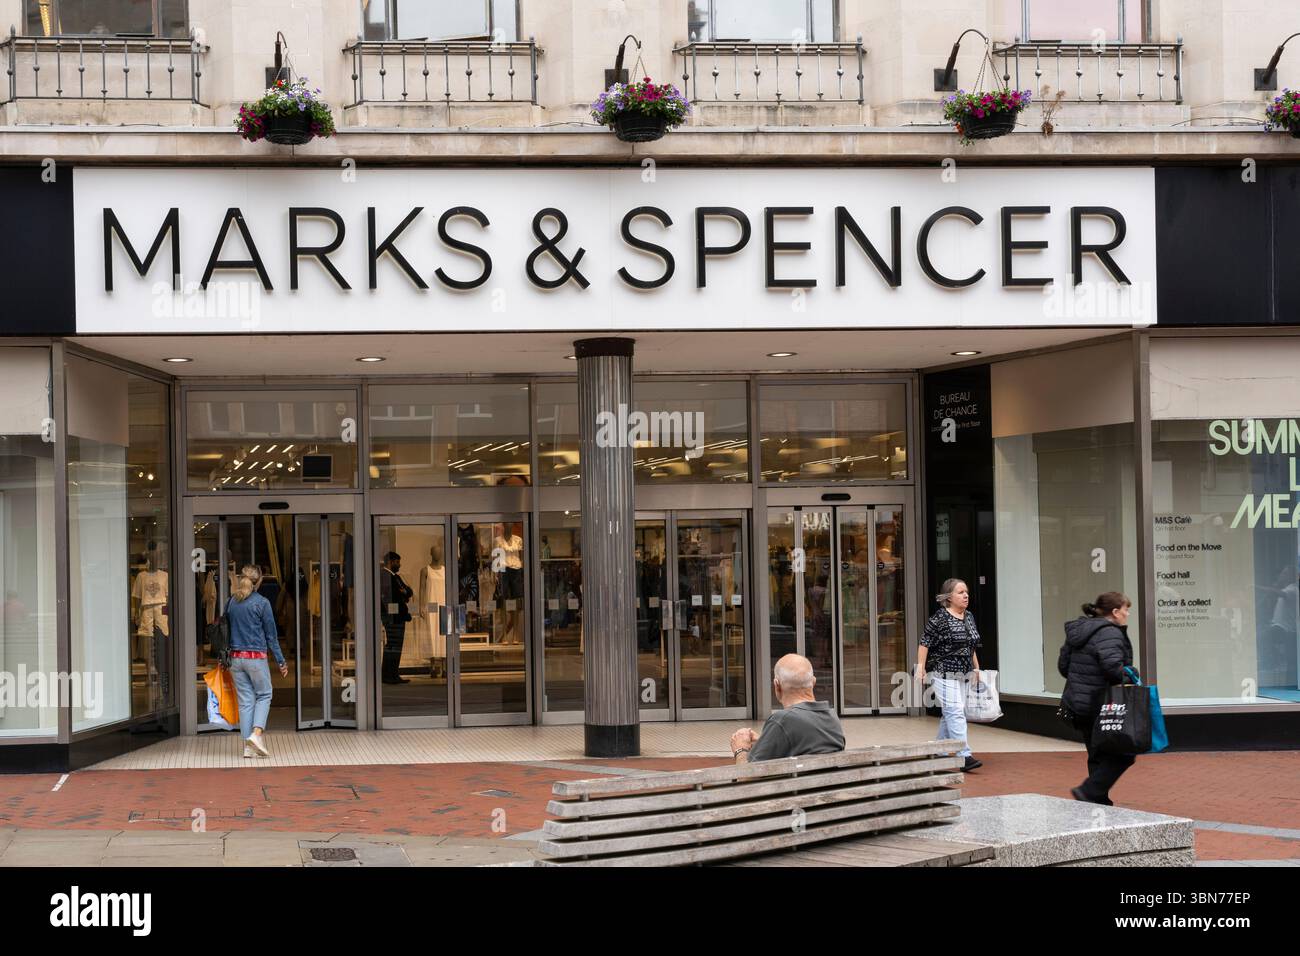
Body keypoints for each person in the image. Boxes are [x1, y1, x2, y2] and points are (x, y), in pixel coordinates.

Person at [1059, 592, 1136, 805]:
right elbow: (1113, 669)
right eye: (1125, 609)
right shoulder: (1109, 633)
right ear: (1114, 612)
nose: (1127, 614)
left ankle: (1097, 799)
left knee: (1096, 753)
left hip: (1078, 702)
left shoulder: (1079, 630)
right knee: (1125, 752)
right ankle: (1090, 791)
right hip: (1101, 704)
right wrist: (1131, 673)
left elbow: (1063, 667)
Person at [917, 578, 983, 771]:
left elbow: (971, 646)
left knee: (952, 713)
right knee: (955, 711)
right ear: (949, 597)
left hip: (963, 672)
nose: (966, 595)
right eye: (961, 592)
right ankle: (964, 755)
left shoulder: (969, 616)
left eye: (967, 592)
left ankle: (940, 750)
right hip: (942, 671)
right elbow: (924, 642)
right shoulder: (940, 618)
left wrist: (976, 668)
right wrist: (920, 667)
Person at [729, 654, 845, 763]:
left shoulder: (782, 720)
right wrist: (764, 741)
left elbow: (746, 778)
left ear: (777, 685)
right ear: (813, 682)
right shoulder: (832, 717)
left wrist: (740, 750)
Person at [226, 565, 287, 758]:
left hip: (235, 659)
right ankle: (257, 734)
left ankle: (247, 747)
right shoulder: (262, 603)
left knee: (245, 701)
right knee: (264, 695)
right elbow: (271, 636)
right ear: (258, 582)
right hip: (255, 658)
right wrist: (281, 661)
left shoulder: (232, 602)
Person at [380, 551, 413, 684]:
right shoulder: (384, 576)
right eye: (397, 562)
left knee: (396, 646)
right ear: (391, 561)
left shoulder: (396, 577)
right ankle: (388, 675)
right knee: (392, 645)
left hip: (399, 617)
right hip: (392, 618)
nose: (399, 565)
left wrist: (405, 593)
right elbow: (392, 596)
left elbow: (408, 592)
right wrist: (403, 593)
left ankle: (394, 673)